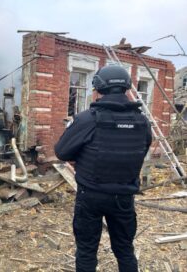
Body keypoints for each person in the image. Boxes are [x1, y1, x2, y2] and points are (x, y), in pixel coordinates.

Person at [54, 65, 152, 272]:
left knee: (87, 251)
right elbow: (141, 151)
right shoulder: (142, 121)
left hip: (91, 196)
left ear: (98, 88)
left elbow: (61, 152)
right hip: (124, 197)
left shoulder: (86, 119)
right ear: (126, 88)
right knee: (125, 249)